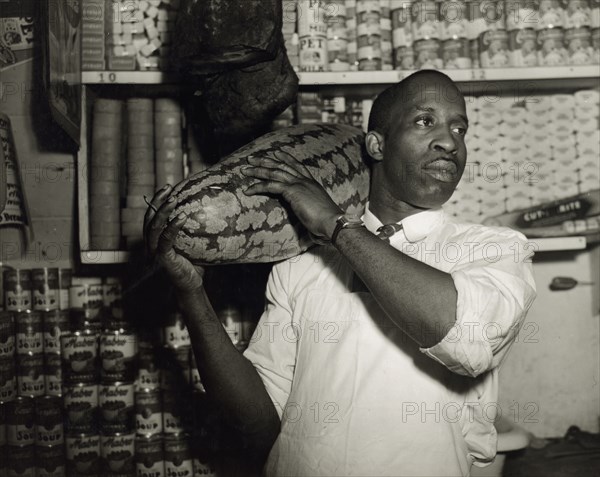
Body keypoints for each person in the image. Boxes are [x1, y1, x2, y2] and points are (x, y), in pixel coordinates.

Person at [144, 70, 537, 477]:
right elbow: (259, 426)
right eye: (425, 121)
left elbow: (463, 338)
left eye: (460, 128)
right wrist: (193, 295)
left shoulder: (494, 249)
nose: (450, 141)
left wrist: (335, 225)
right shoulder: (300, 263)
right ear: (376, 144)